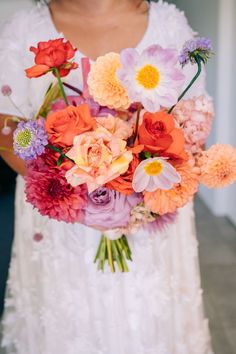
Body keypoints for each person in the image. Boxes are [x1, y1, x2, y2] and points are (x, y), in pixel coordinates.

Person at [0, 0, 214, 353]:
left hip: (150, 212)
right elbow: (7, 131)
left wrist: (133, 192)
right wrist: (81, 195)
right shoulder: (24, 29)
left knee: (149, 320)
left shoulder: (169, 25)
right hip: (60, 219)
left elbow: (193, 121)